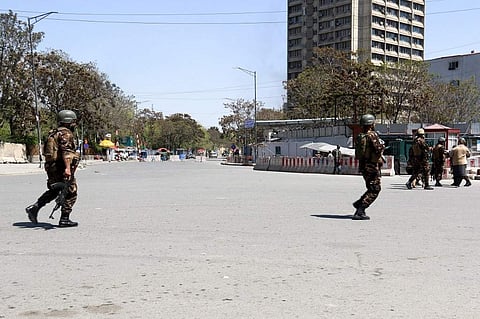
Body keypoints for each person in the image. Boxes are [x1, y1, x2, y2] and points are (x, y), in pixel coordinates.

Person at [25, 110, 80, 227]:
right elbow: (66, 153)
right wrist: (68, 168)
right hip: (61, 167)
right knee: (71, 191)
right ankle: (64, 219)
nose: (74, 124)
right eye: (73, 122)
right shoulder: (66, 134)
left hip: (51, 167)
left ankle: (35, 207)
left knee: (55, 190)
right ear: (68, 122)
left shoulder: (53, 133)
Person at [352, 114, 385, 220]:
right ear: (371, 124)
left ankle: (359, 203)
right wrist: (383, 145)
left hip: (364, 165)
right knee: (375, 189)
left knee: (371, 187)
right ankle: (360, 210)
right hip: (371, 166)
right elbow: (378, 149)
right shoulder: (372, 135)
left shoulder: (361, 136)